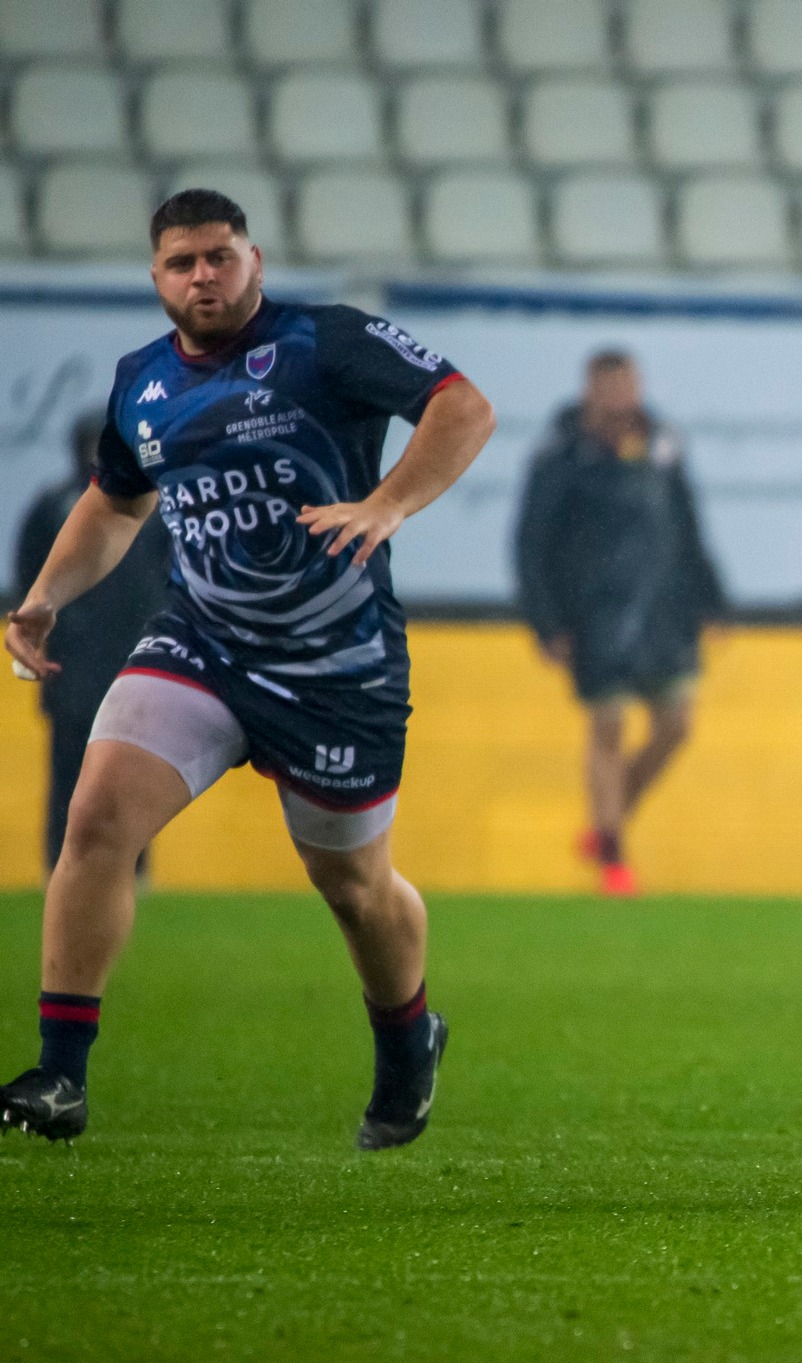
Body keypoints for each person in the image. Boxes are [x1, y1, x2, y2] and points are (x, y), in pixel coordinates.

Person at [0, 189, 496, 1149]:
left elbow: (463, 408)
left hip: (337, 666)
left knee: (354, 888)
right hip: (205, 642)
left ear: (254, 260)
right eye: (183, 263)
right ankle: (61, 1073)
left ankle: (407, 1042)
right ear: (156, 278)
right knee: (96, 818)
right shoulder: (141, 382)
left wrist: (388, 504)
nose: (203, 277)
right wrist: (45, 596)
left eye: (220, 257)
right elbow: (115, 503)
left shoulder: (327, 341)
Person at [514, 350, 725, 896]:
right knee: (607, 725)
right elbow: (530, 543)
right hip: (593, 615)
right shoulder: (561, 453)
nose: (619, 397)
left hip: (664, 611)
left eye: (627, 385)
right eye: (608, 387)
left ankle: (606, 824)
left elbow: (688, 522)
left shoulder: (662, 443)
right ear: (589, 390)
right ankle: (613, 856)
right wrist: (546, 622)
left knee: (676, 724)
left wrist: (712, 598)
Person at [14, 411, 173, 875]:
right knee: (85, 776)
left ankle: (115, 873)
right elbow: (32, 583)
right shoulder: (60, 507)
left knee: (123, 778)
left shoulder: (149, 506)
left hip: (114, 664)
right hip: (93, 666)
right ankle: (81, 872)